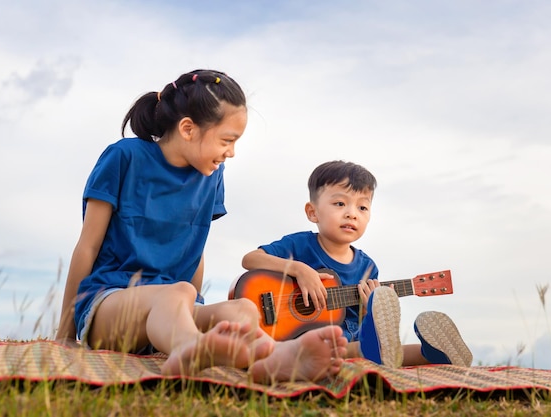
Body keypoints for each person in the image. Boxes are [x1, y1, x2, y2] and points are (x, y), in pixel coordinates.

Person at [54, 69, 347, 383]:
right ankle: (189, 347)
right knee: (177, 293)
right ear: (188, 129)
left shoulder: (211, 176)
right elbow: (88, 246)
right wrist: (65, 334)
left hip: (172, 310)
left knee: (243, 310)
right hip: (110, 305)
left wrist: (196, 307)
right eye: (226, 140)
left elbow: (195, 247)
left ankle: (275, 358)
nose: (231, 152)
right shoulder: (123, 157)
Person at [242, 160, 472, 368]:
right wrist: (298, 269)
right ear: (313, 213)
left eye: (362, 207)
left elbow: (360, 321)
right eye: (340, 203)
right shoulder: (299, 246)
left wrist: (368, 308)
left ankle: (432, 354)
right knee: (346, 348)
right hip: (297, 340)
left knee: (373, 345)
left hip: (350, 338)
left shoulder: (367, 267)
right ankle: (376, 351)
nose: (352, 214)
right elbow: (250, 259)